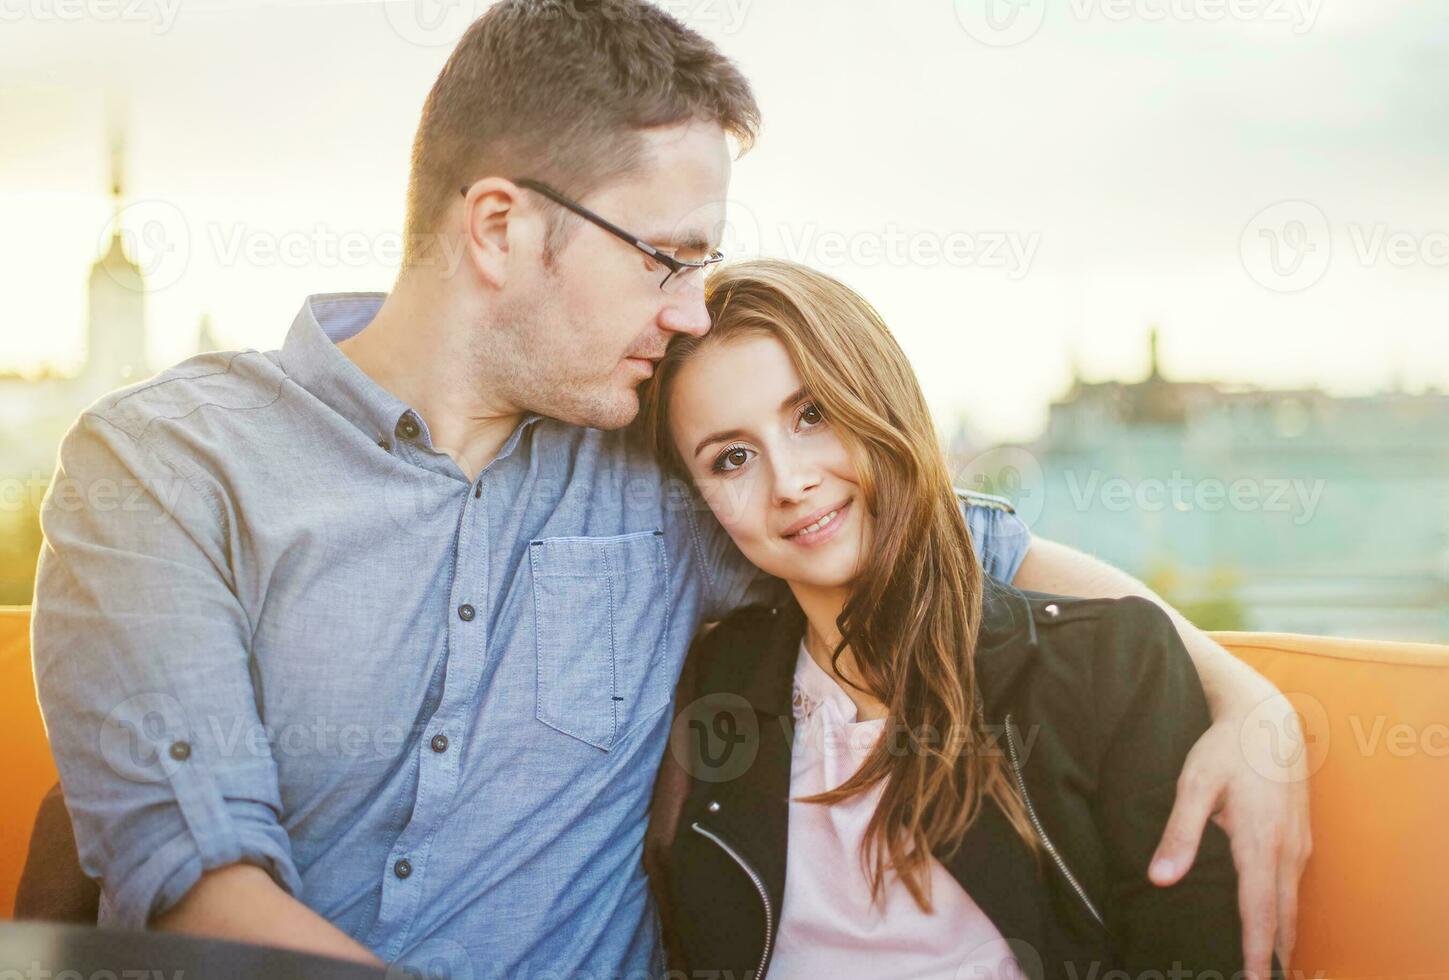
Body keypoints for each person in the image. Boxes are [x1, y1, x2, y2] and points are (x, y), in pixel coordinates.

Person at [30, 1, 1305, 977]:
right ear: (498, 228)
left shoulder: (672, 474)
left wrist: (1249, 700)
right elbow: (194, 881)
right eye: (668, 257)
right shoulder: (163, 470)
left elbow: (952, 541)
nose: (691, 307)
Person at [640, 258, 1277, 978]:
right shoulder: (718, 684)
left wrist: (1255, 701)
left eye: (811, 415)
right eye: (731, 459)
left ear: (880, 398)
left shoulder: (1108, 668)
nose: (790, 483)